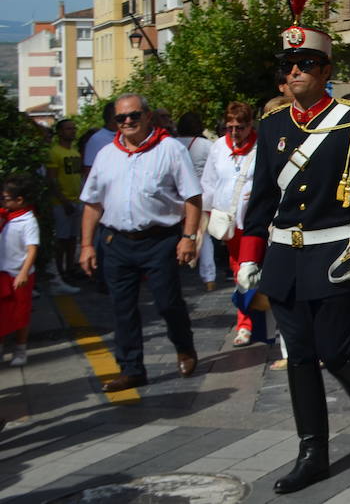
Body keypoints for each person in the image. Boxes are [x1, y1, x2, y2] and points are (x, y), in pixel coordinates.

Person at [236, 10, 350, 494]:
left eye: (305, 63)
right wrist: (249, 254)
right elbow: (261, 197)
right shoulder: (272, 124)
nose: (294, 72)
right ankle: (313, 453)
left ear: (325, 71)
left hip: (334, 258)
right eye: (288, 65)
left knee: (335, 351)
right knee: (299, 356)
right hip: (284, 259)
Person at [79, 93, 202, 391]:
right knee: (122, 308)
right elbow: (92, 204)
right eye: (122, 118)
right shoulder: (107, 154)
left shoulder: (170, 149)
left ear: (147, 116)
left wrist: (188, 237)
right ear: (115, 122)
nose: (128, 122)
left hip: (159, 240)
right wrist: (86, 245)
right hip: (117, 241)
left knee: (167, 302)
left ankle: (184, 345)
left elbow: (192, 197)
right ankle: (131, 368)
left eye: (134, 115)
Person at [201, 102, 261, 347]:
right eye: (230, 127)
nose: (235, 133)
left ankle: (267, 319)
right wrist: (204, 218)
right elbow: (209, 183)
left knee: (259, 272)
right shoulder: (218, 147)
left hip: (256, 221)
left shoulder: (261, 146)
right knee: (240, 274)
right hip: (230, 223)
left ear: (250, 126)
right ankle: (245, 323)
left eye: (240, 127)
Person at [0, 175, 40, 367]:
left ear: (19, 200)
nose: (3, 201)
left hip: (18, 275)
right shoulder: (6, 217)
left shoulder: (28, 221)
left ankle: (20, 349)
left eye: (6, 199)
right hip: (3, 273)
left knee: (20, 314)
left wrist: (24, 272)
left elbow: (32, 249)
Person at [177, 112, 216, 291]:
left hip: (176, 197)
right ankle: (209, 277)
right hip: (199, 196)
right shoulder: (206, 145)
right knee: (203, 235)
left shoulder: (172, 144)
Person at [45, 120, 83, 289]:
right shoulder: (54, 152)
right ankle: (59, 271)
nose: (72, 131)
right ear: (59, 132)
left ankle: (70, 269)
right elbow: (52, 179)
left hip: (76, 200)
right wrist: (63, 200)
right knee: (61, 239)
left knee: (72, 238)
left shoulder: (75, 152)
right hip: (61, 202)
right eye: (68, 129)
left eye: (74, 128)